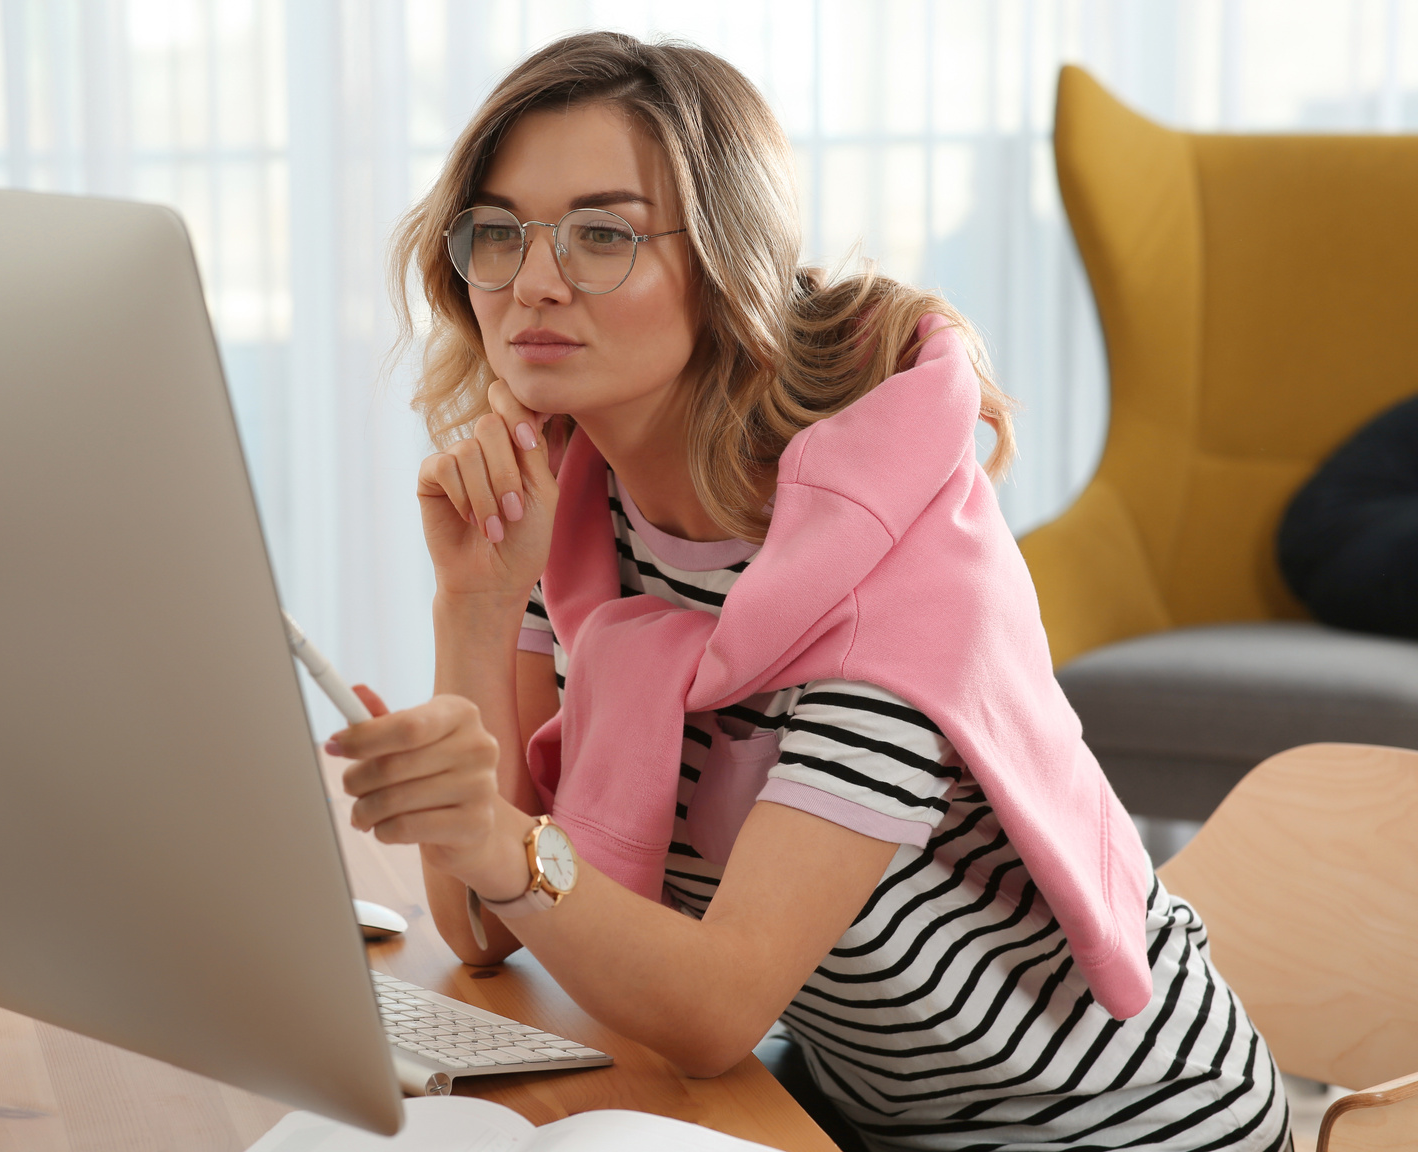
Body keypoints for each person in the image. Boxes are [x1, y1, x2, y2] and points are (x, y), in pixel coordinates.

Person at [330, 31, 1290, 1152]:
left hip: (1117, 1126)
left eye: (603, 233)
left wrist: (493, 838)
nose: (534, 280)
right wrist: (477, 603)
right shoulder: (579, 512)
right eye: (498, 231)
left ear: (727, 260)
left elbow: (715, 1009)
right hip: (861, 1109)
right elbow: (481, 926)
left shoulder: (887, 575)